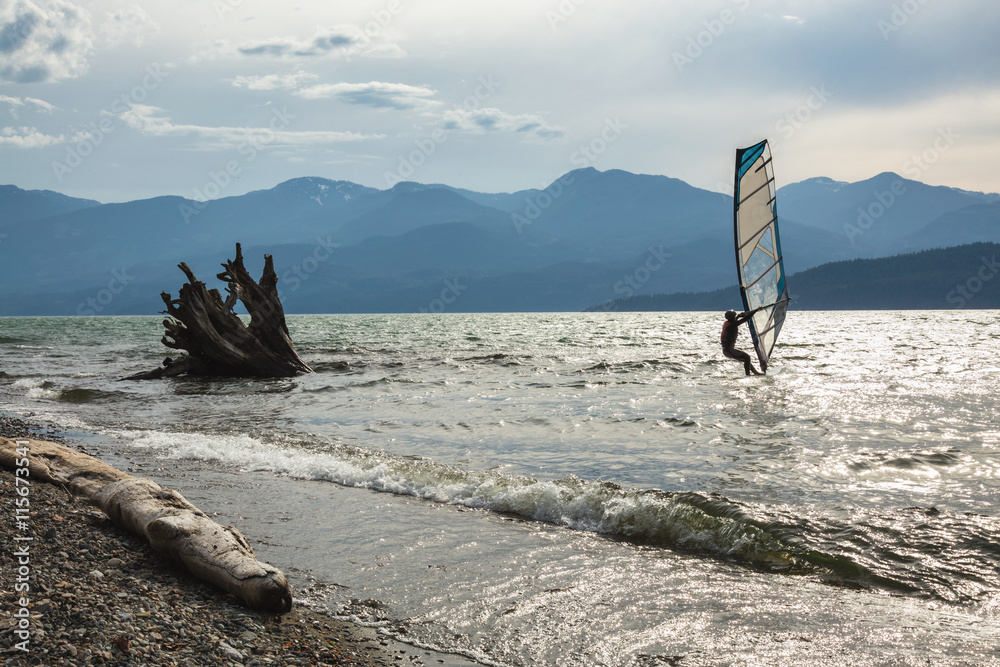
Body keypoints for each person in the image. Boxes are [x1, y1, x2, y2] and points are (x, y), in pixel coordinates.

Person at [721, 308, 762, 376]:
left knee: (746, 359)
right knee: (747, 357)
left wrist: (738, 316)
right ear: (732, 318)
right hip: (729, 350)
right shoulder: (731, 325)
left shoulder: (727, 323)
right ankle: (748, 375)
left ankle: (755, 373)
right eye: (734, 316)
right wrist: (756, 310)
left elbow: (734, 321)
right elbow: (745, 319)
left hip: (726, 350)